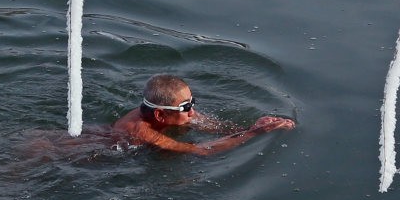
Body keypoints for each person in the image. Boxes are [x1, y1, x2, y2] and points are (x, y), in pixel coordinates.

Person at [113, 74, 294, 155]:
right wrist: (255, 134)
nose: (192, 111)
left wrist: (251, 127)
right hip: (99, 158)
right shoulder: (139, 130)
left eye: (192, 102)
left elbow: (217, 128)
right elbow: (201, 151)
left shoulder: (172, 112)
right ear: (160, 115)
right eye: (185, 107)